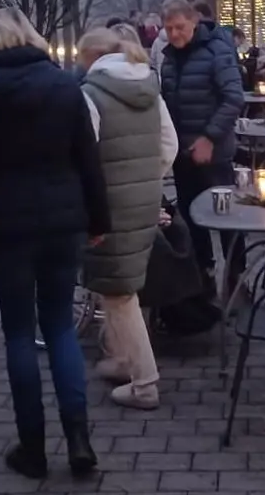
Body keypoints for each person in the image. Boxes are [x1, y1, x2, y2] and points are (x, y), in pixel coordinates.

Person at [0, 7, 112, 480]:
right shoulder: (64, 86)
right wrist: (99, 219)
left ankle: (33, 448)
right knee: (59, 327)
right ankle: (79, 439)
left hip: (8, 225)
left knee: (19, 333)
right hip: (64, 223)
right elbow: (88, 159)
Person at [75, 28, 177, 411]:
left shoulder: (90, 95)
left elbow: (84, 157)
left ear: (91, 58)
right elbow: (170, 144)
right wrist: (147, 179)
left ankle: (144, 384)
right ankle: (122, 360)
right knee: (118, 284)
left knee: (119, 292)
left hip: (108, 203)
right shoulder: (149, 89)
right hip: (144, 198)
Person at [159, 0, 245, 285]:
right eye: (168, 28)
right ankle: (202, 271)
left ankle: (236, 271)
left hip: (215, 153)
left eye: (179, 27)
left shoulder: (218, 50)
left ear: (194, 22)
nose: (174, 34)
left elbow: (233, 98)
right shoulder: (169, 58)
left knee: (225, 215)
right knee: (190, 212)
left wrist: (209, 137)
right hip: (182, 154)